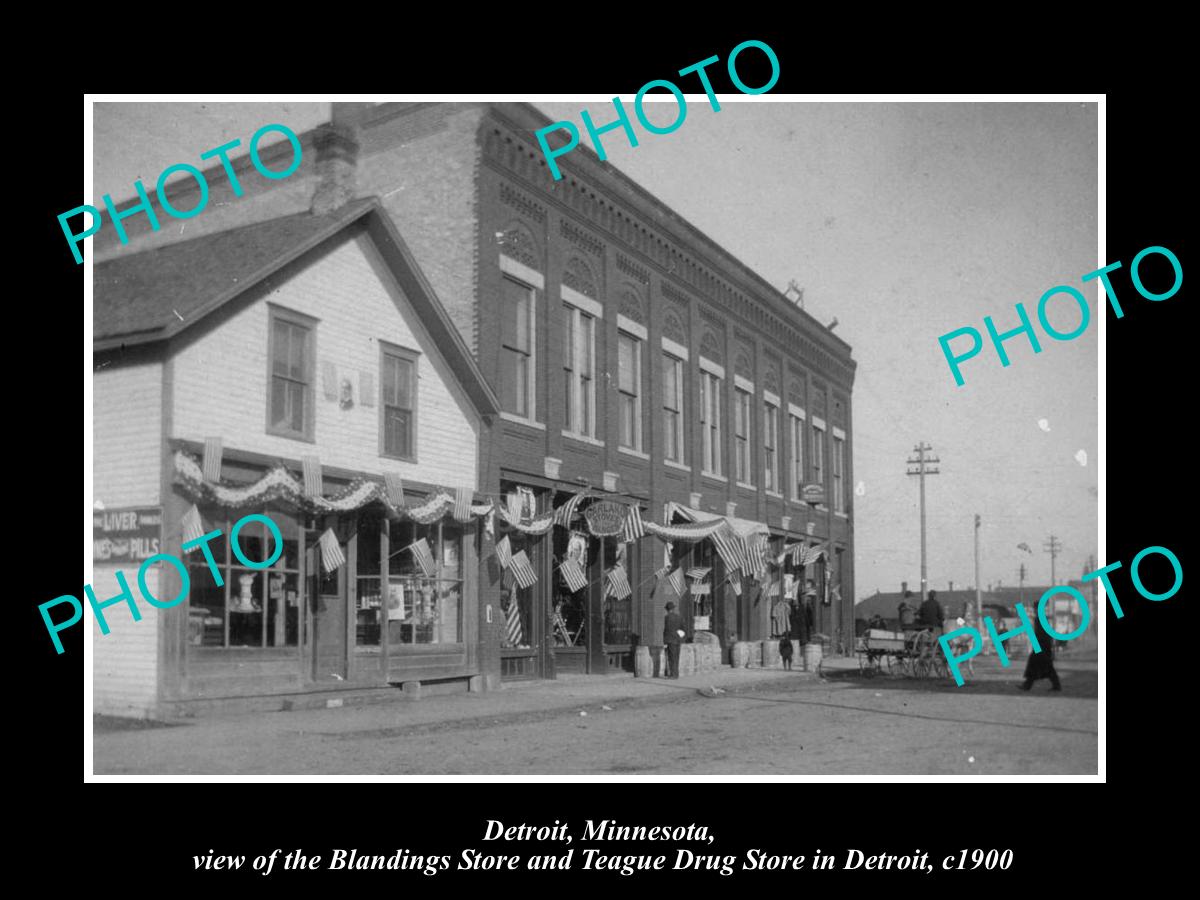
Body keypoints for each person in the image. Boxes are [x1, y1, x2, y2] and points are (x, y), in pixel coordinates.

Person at [1020, 615, 1062, 692]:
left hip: (1041, 646)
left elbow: (1040, 634)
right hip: (1043, 646)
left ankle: (1028, 685)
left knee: (1040, 665)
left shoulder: (1039, 619)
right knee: (1040, 666)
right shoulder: (1041, 619)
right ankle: (1027, 685)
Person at [663, 601, 685, 678]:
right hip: (678, 640)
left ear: (667, 610)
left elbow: (666, 630)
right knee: (676, 657)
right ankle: (676, 673)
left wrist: (664, 641)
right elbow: (682, 629)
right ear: (673, 609)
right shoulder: (679, 617)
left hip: (670, 640)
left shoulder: (667, 618)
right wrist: (679, 637)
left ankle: (673, 674)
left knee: (671, 657)